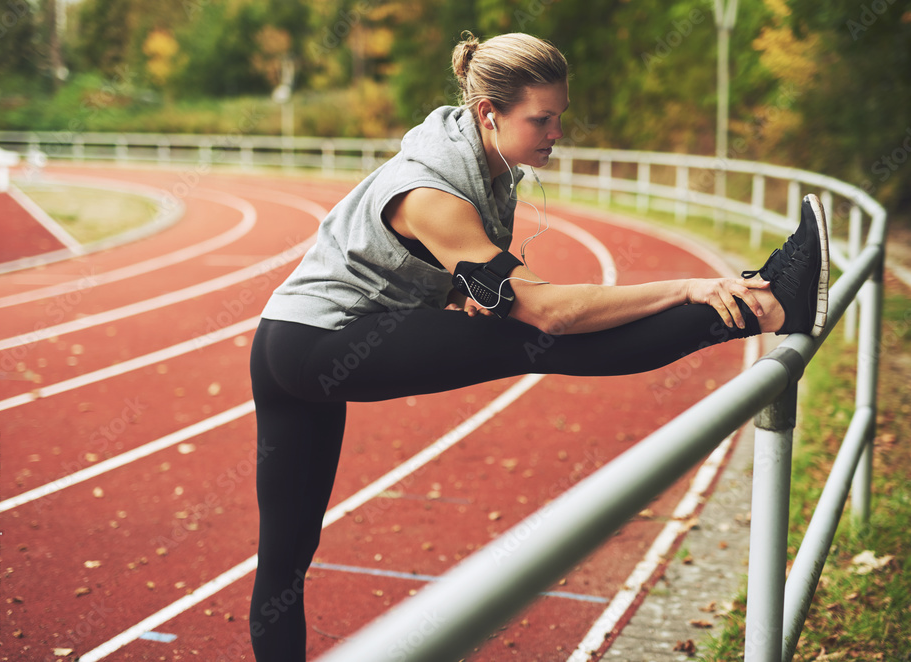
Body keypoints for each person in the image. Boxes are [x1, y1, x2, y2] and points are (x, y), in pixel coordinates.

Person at [248, 31, 829, 660]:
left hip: (287, 342)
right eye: (542, 119)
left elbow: (412, 269)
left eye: (560, 116)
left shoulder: (483, 163)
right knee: (537, 339)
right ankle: (767, 305)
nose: (556, 132)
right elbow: (549, 313)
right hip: (322, 342)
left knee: (285, 560)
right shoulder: (433, 193)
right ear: (489, 115)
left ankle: (763, 303)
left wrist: (457, 293)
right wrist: (689, 286)